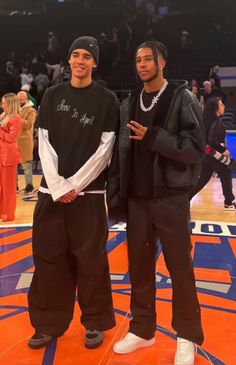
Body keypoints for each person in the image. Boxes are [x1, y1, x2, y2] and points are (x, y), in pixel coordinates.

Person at [107, 40, 205, 364]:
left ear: (162, 62)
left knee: (180, 270)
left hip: (170, 198)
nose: (142, 65)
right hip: (137, 200)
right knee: (139, 269)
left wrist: (154, 137)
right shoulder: (129, 101)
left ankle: (187, 337)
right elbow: (120, 153)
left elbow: (194, 149)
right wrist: (117, 194)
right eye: (137, 60)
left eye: (148, 59)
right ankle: (143, 329)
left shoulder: (181, 98)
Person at [27, 36, 119, 349]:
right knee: (49, 262)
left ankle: (94, 322)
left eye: (87, 56)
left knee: (91, 263)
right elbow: (45, 143)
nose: (80, 61)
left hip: (88, 198)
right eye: (75, 55)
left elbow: (105, 149)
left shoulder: (106, 100)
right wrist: (57, 185)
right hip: (50, 196)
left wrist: (74, 186)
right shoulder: (52, 95)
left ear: (95, 63)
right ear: (69, 60)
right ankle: (47, 323)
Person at [190, 97, 235, 210]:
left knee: (203, 179)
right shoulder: (216, 122)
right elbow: (212, 141)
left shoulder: (208, 121)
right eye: (221, 105)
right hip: (212, 154)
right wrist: (223, 150)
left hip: (206, 155)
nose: (223, 106)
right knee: (226, 172)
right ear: (216, 108)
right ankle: (229, 202)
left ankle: (186, 198)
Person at [0, 93, 21, 221]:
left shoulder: (16, 118)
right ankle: (2, 211)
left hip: (8, 156)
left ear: (10, 104)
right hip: (1, 154)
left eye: (4, 103)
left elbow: (11, 138)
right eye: (2, 103)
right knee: (1, 186)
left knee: (8, 187)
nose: (2, 106)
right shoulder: (3, 116)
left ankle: (8, 214)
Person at [17, 91, 37, 194]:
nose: (19, 102)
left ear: (26, 99)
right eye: (18, 100)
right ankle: (14, 186)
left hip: (25, 141)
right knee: (13, 165)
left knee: (27, 166)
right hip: (13, 141)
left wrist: (17, 117)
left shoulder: (31, 110)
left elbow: (29, 125)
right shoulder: (14, 109)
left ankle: (29, 186)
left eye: (21, 100)